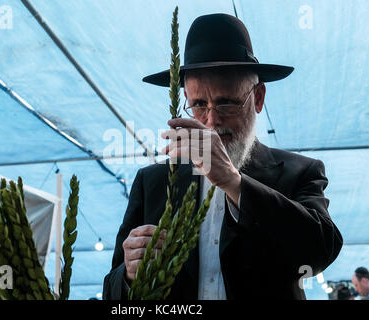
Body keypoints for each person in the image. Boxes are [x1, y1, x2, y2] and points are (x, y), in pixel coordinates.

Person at [103, 13, 343, 300]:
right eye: (199, 104)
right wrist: (129, 274)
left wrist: (234, 182)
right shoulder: (152, 181)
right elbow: (112, 293)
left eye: (227, 102)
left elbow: (318, 253)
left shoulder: (298, 171)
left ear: (258, 98)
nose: (212, 121)